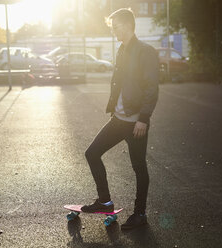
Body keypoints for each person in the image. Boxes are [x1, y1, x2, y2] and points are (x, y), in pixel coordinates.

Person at [81, 8, 159, 230]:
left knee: (138, 167)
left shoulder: (146, 52)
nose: (114, 32)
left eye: (115, 27)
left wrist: (143, 118)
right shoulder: (121, 51)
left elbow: (151, 88)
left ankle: (140, 214)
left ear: (126, 25)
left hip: (136, 123)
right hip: (119, 119)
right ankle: (104, 201)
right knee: (92, 153)